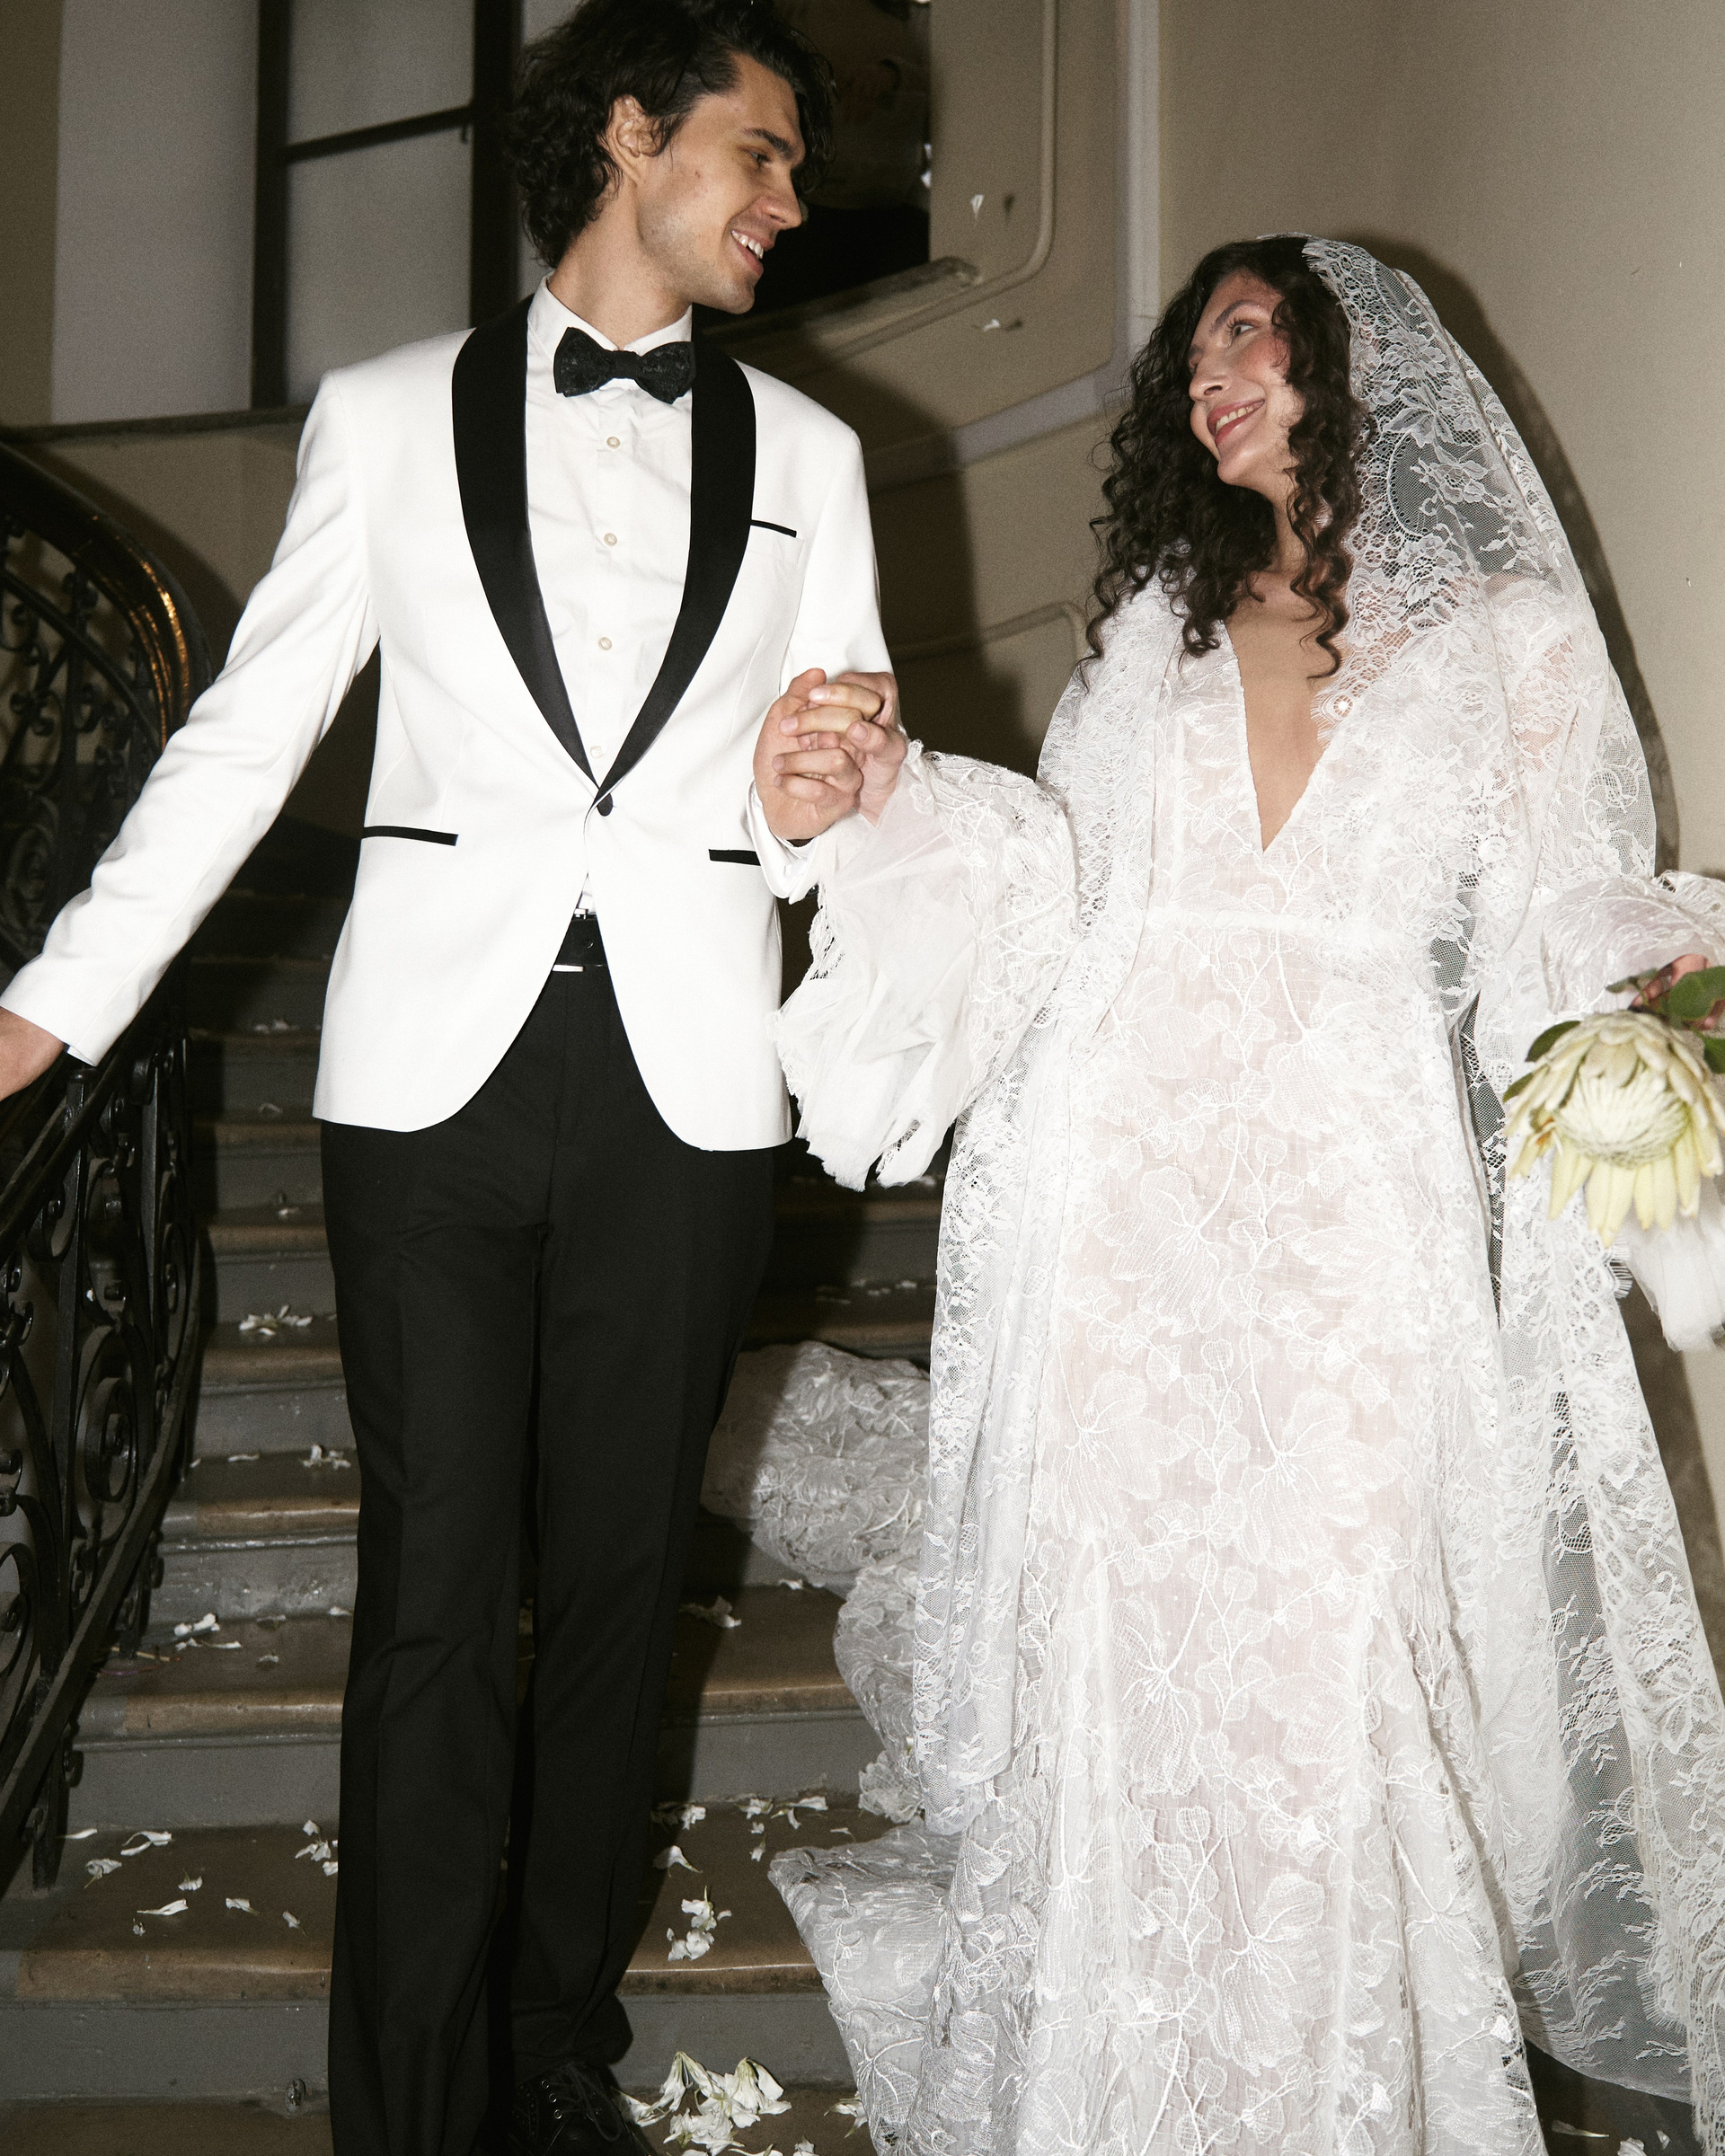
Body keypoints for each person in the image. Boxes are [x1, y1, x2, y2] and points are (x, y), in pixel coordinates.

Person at [0, 4, 906, 2152]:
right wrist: (53, 1001)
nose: (792, 202)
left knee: (617, 1593)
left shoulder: (814, 456)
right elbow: (250, 730)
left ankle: (553, 2045)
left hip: (691, 1078)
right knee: (434, 1602)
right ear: (632, 133)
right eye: (763, 154)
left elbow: (840, 785)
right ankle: (404, 2109)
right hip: (430, 1079)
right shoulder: (389, 413)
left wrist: (816, 797)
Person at [763, 237, 1725, 2154]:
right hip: (1121, 1175)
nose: (1208, 375)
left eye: (1250, 334)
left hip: (1353, 1183)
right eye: (1192, 353)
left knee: (1335, 1628)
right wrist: (894, 799)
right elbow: (1055, 882)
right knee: (1134, 1633)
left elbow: (1550, 919)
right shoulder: (1155, 635)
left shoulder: (1513, 640)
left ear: (1354, 366)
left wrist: (1661, 984)